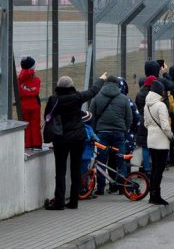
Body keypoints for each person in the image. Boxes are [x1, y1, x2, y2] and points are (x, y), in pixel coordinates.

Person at [43, 73, 107, 210]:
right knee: (75, 169)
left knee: (60, 170)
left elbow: (47, 116)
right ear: (71, 86)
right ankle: (73, 201)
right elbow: (92, 91)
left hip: (60, 138)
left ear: (58, 86)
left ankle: (59, 202)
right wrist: (101, 79)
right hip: (78, 137)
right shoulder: (77, 97)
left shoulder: (54, 100)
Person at [88, 75, 133, 195]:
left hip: (102, 133)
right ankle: (122, 188)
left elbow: (91, 116)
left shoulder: (97, 98)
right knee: (121, 160)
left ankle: (101, 188)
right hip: (119, 133)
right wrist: (124, 129)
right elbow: (129, 117)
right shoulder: (124, 98)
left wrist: (94, 132)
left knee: (102, 161)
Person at [144, 80, 173, 205]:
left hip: (151, 139)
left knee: (154, 167)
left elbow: (146, 123)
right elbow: (165, 126)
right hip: (161, 140)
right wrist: (171, 136)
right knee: (159, 170)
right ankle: (156, 195)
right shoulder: (161, 105)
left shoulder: (147, 105)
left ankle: (153, 194)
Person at [18, 56, 42, 149]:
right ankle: (36, 144)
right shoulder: (37, 79)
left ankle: (27, 144)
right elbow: (36, 91)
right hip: (34, 104)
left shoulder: (19, 79)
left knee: (26, 124)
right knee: (35, 125)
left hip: (23, 104)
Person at [133, 76, 153, 175]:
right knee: (153, 145)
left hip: (142, 119)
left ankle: (146, 168)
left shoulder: (140, 94)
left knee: (145, 146)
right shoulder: (154, 94)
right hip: (152, 119)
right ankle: (152, 165)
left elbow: (136, 107)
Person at [80, 111, 100, 177]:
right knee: (84, 172)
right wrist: (91, 138)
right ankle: (82, 186)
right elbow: (84, 137)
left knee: (86, 171)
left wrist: (95, 138)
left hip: (88, 154)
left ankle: (84, 185)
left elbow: (96, 137)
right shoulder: (84, 128)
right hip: (84, 154)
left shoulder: (89, 127)